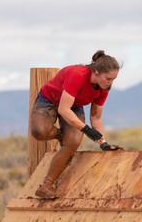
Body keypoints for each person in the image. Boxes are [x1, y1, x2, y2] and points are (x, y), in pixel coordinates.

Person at [30, 50, 123, 199]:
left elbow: (96, 118)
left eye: (114, 79)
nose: (111, 83)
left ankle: (46, 186)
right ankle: (61, 135)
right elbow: (63, 109)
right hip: (50, 99)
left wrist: (103, 143)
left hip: (74, 105)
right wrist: (85, 129)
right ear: (97, 73)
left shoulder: (103, 89)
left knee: (73, 142)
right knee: (39, 132)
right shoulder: (78, 75)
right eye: (108, 78)